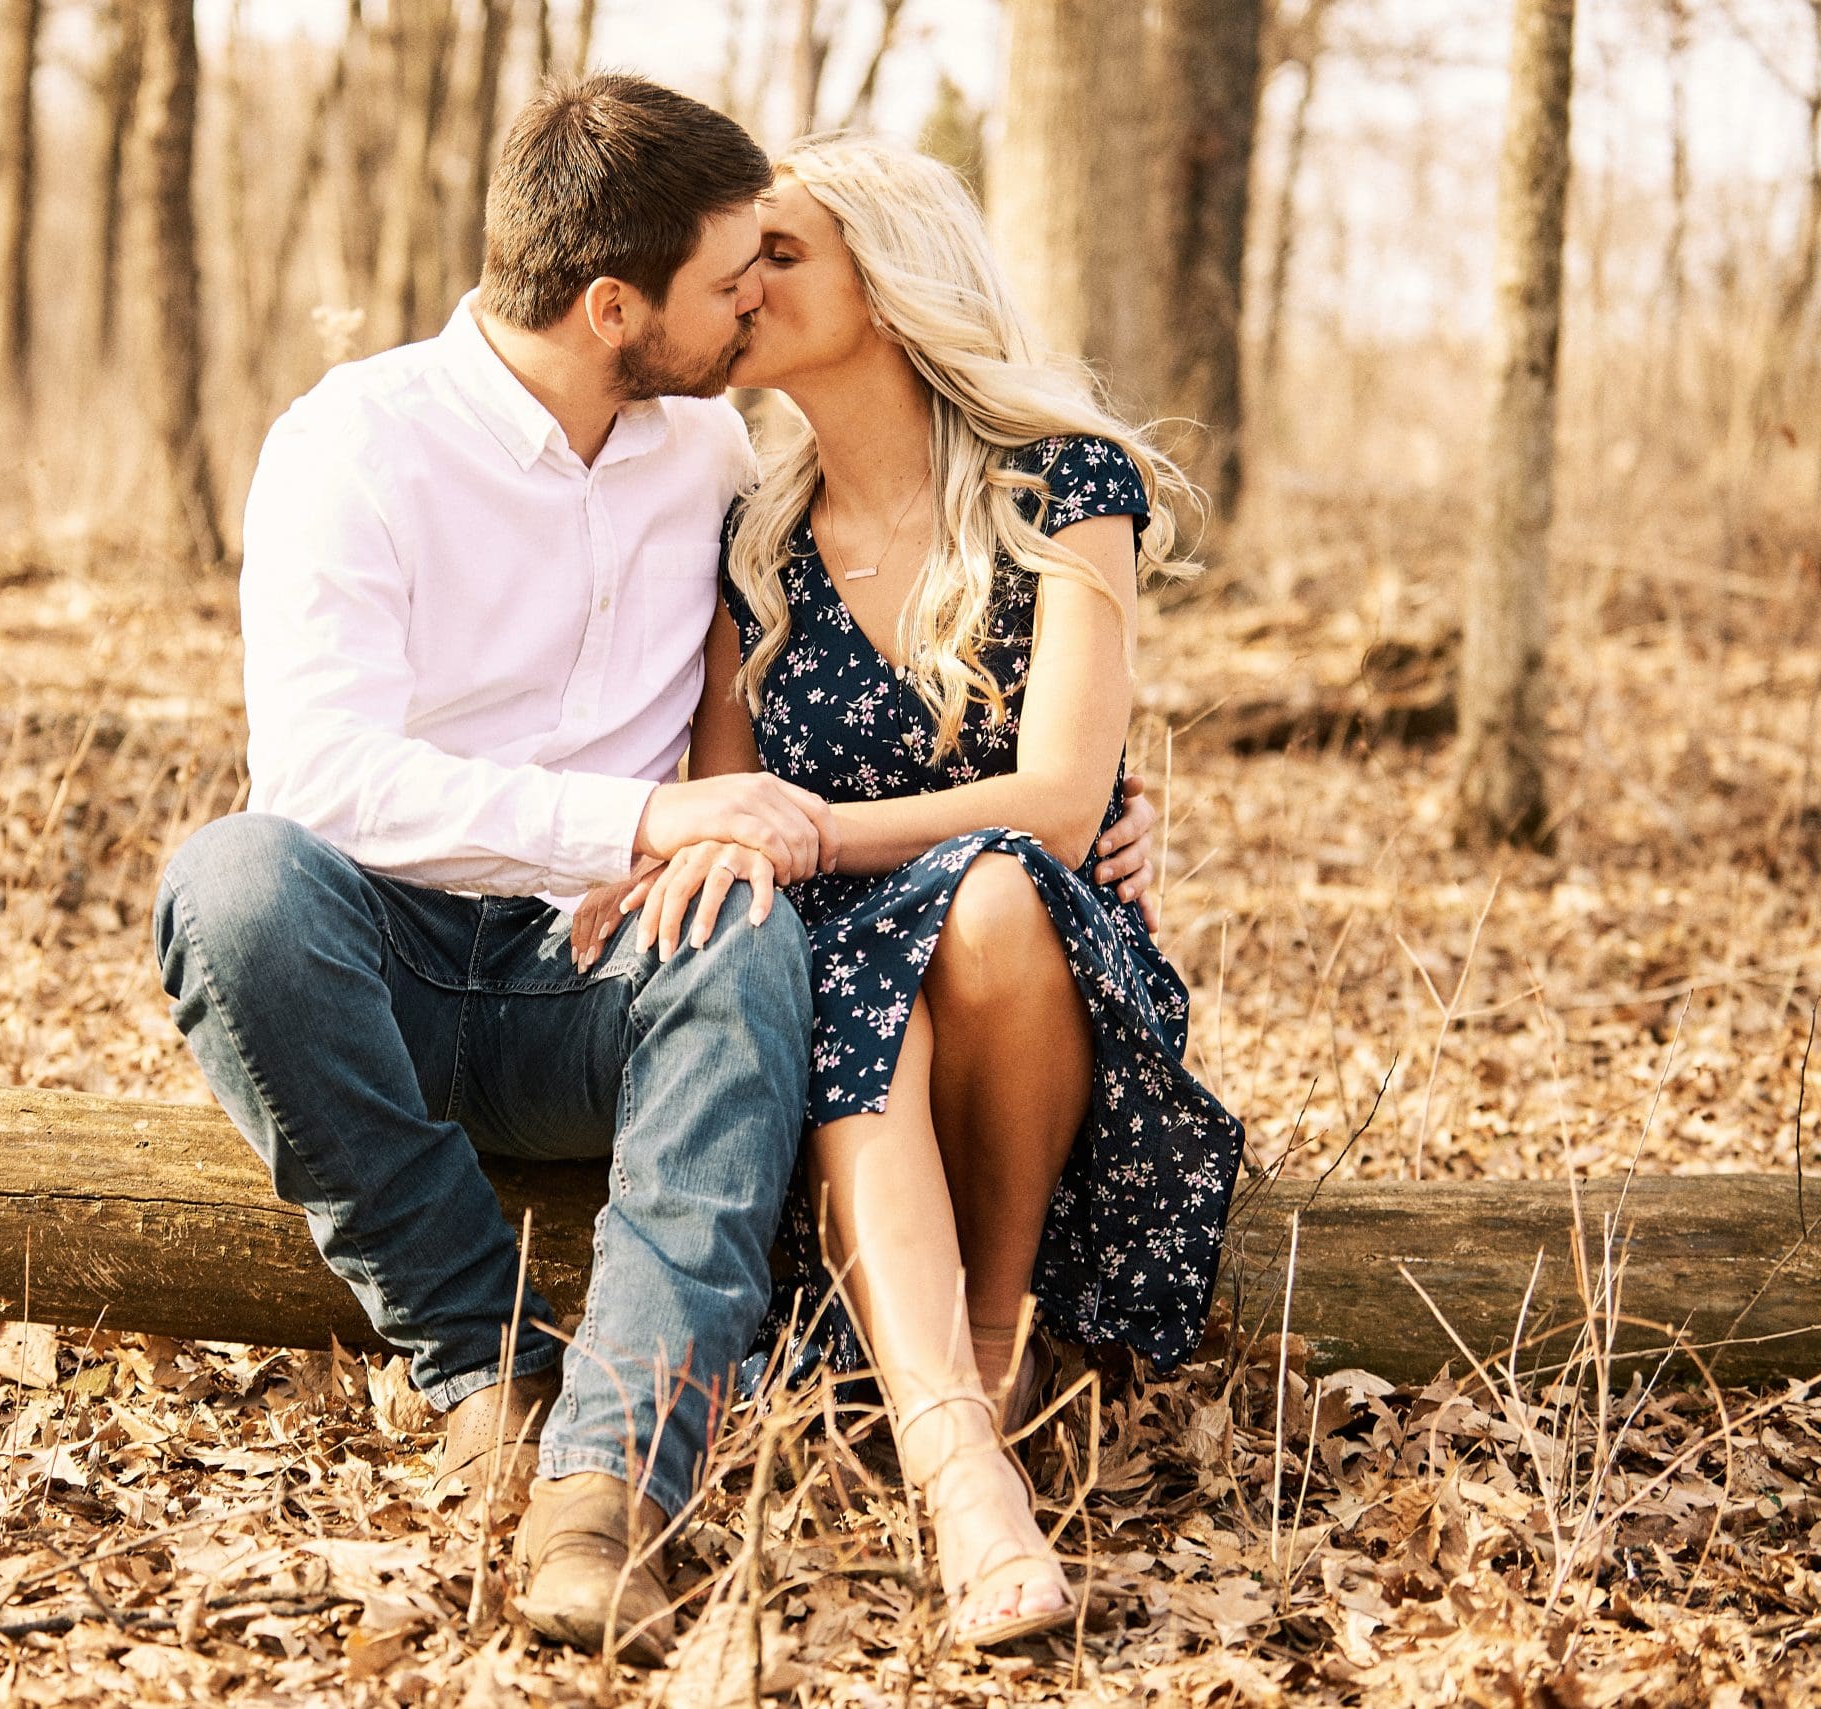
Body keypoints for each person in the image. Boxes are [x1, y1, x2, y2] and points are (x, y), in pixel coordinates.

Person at [154, 81, 1160, 1664]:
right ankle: (480, 1362)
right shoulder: (357, 442)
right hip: (404, 955)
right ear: (613, 305)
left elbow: (935, 712)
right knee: (231, 886)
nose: (748, 296)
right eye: (725, 276)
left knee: (750, 933)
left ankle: (608, 1493)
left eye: (772, 261)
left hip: (606, 979)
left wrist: (1092, 806)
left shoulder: (705, 452)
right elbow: (324, 782)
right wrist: (642, 828)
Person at [572, 138, 1244, 1650]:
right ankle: (958, 1458)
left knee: (993, 890)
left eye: (783, 256)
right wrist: (679, 855)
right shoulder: (751, 529)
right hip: (843, 999)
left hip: (1028, 984)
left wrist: (816, 832)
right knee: (871, 956)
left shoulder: (1064, 485)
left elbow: (1064, 799)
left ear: (887, 276)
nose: (743, 288)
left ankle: (991, 1333)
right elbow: (728, 797)